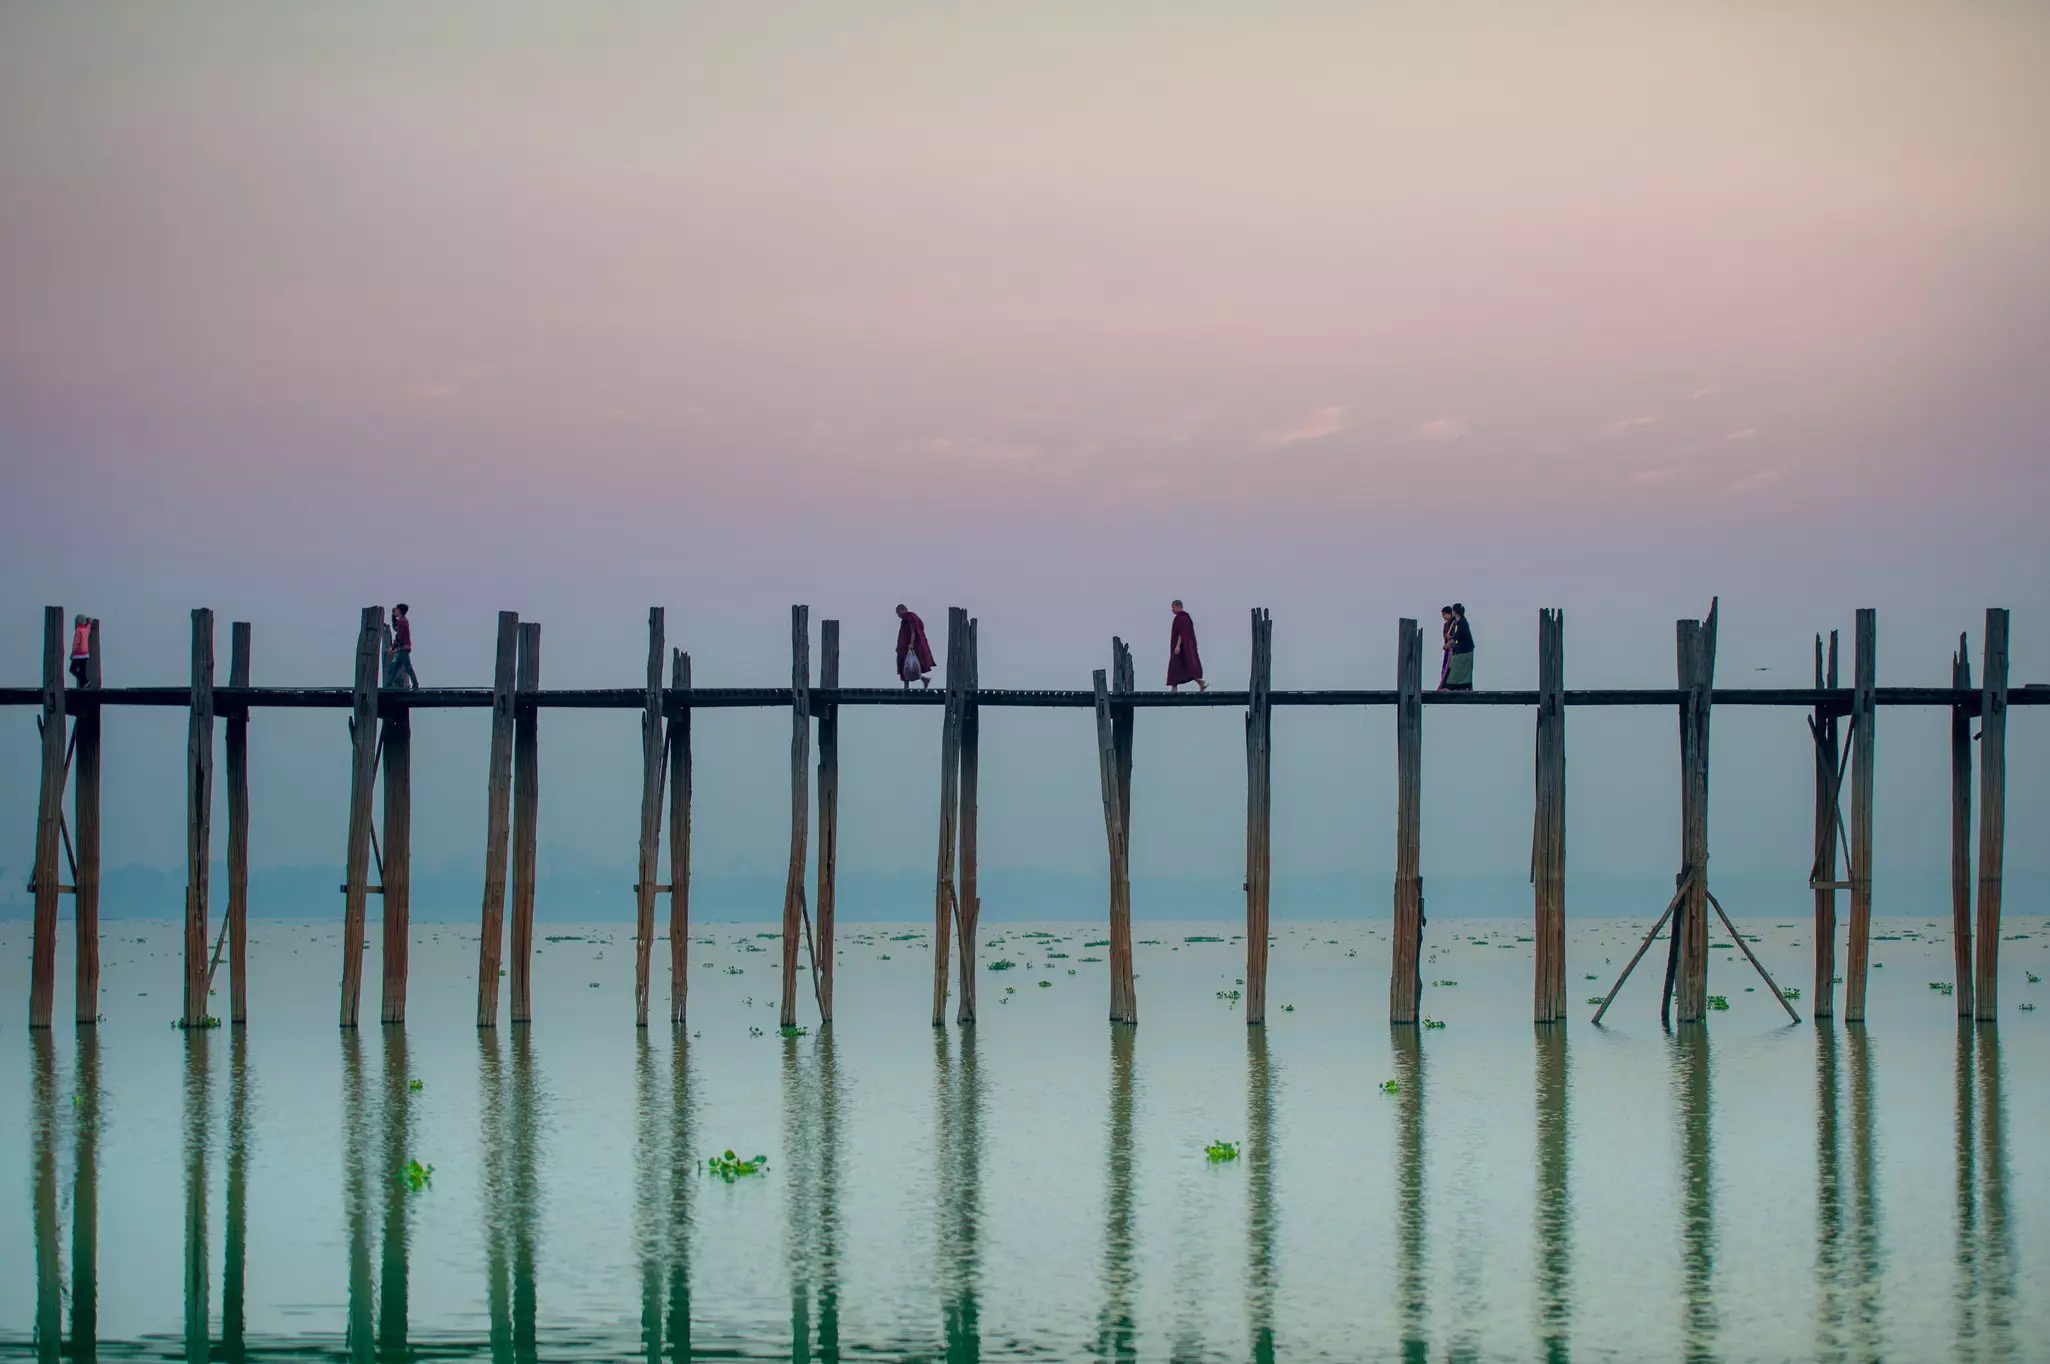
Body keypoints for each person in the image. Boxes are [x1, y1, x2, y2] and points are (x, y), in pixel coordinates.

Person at [1167, 600, 1207, 692]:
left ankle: (1175, 688)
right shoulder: (1184, 617)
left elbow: (1182, 633)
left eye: (1173, 607)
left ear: (1177, 606)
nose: (1172, 610)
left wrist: (1178, 646)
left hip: (1182, 649)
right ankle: (1199, 683)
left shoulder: (1182, 618)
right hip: (1183, 648)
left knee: (1179, 667)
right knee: (1179, 667)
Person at [894, 604, 935, 689]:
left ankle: (907, 686)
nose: (898, 616)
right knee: (908, 667)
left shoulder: (909, 616)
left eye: (898, 613)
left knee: (906, 665)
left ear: (902, 610)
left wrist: (911, 643)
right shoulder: (908, 618)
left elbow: (913, 630)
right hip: (905, 646)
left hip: (908, 646)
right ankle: (923, 679)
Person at [385, 603, 419, 690]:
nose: (395, 611)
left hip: (404, 649)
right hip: (402, 649)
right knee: (394, 668)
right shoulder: (403, 621)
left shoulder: (402, 622)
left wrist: (392, 648)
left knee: (407, 668)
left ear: (399, 610)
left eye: (396, 610)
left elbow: (398, 637)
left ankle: (415, 685)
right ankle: (388, 685)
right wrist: (393, 617)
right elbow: (395, 628)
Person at [1444, 603, 1475, 691]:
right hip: (1462, 648)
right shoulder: (1459, 621)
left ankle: (1452, 687)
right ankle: (1457, 687)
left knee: (1456, 666)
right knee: (1454, 664)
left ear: (1455, 612)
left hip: (1466, 649)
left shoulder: (1463, 623)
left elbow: (1457, 636)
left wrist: (1447, 645)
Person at [68, 614, 92, 688]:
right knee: (82, 670)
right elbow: (88, 627)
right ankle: (84, 683)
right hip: (85, 653)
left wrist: (72, 653)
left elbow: (76, 642)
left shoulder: (78, 630)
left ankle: (85, 681)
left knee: (72, 669)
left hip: (79, 654)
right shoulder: (86, 630)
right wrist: (90, 623)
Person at [1436, 606, 1456, 690]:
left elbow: (1456, 637)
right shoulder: (1445, 625)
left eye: (1444, 614)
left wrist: (1450, 641)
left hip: (1453, 650)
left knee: (1450, 668)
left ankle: (1449, 686)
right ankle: (1444, 686)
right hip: (1447, 649)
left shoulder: (1455, 623)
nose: (1443, 616)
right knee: (1445, 668)